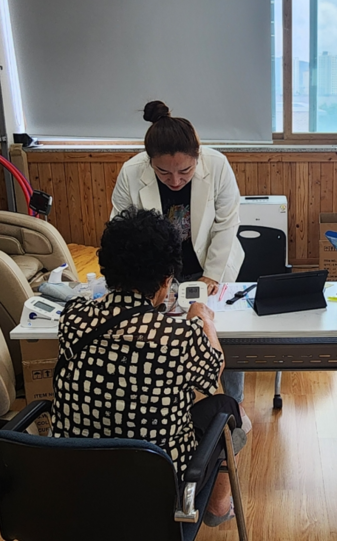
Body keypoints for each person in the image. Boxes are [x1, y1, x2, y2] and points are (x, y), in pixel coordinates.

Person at [51, 208, 241, 526]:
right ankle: (218, 508)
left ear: (107, 269)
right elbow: (213, 367)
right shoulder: (180, 336)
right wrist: (204, 319)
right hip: (156, 492)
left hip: (77, 484)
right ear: (167, 280)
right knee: (228, 407)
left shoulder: (73, 317)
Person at [110, 100, 247, 413]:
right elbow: (121, 230)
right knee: (158, 336)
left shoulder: (217, 165)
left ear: (198, 156)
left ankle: (234, 403)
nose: (175, 180)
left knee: (222, 331)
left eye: (185, 171)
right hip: (157, 271)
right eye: (163, 172)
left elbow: (227, 223)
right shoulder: (131, 172)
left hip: (210, 262)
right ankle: (166, 403)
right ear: (150, 162)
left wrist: (211, 274)